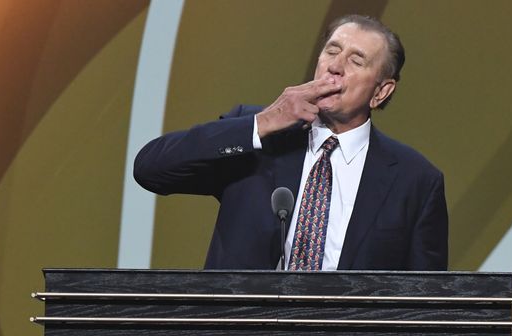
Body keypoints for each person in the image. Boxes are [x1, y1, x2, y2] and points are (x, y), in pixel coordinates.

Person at [134, 15, 447, 271]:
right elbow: (151, 169)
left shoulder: (415, 181)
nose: (335, 66)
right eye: (332, 51)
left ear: (381, 92)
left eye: (356, 60)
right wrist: (263, 123)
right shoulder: (260, 137)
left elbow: (426, 308)